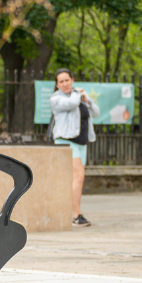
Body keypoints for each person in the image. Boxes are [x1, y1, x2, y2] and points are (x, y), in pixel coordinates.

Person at [51, 68, 98, 227]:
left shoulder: (79, 96)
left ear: (73, 80)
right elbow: (70, 104)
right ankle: (76, 215)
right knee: (79, 176)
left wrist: (87, 100)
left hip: (81, 142)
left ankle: (68, 213)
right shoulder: (56, 98)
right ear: (57, 85)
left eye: (67, 80)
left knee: (75, 179)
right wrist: (79, 94)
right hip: (66, 140)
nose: (65, 84)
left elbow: (96, 112)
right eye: (61, 82)